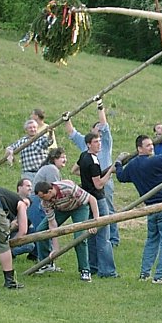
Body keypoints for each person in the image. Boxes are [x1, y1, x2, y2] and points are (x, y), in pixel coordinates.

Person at [115, 131, 162, 284]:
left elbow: (121, 176)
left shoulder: (132, 166)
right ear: (139, 148)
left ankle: (144, 273)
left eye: (152, 145)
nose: (151, 147)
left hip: (150, 208)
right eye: (147, 146)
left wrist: (119, 163)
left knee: (152, 241)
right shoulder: (153, 162)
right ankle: (160, 276)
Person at [64, 96, 119, 247]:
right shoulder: (85, 142)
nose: (99, 133)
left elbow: (104, 124)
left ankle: (113, 239)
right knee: (93, 212)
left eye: (101, 132)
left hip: (104, 181)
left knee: (108, 210)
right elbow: (71, 132)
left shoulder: (105, 142)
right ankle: (94, 238)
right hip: (90, 184)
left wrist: (100, 106)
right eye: (97, 130)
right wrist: (66, 119)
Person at [72, 131, 118, 278]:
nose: (99, 144)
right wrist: (110, 171)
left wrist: (87, 178)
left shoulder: (83, 156)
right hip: (98, 199)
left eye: (99, 141)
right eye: (95, 142)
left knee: (91, 234)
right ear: (88, 144)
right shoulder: (94, 161)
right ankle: (107, 271)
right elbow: (99, 185)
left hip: (86, 199)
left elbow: (74, 170)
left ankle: (93, 266)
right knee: (104, 235)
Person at [34, 180, 100, 282]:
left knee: (79, 237)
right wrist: (56, 248)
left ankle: (85, 270)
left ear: (50, 191)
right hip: (61, 210)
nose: (41, 199)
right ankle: (47, 263)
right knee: (41, 231)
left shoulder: (68, 188)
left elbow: (92, 199)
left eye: (42, 196)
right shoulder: (45, 202)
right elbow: (52, 224)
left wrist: (95, 222)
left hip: (79, 207)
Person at [10, 178, 36, 260]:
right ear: (19, 187)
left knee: (39, 230)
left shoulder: (31, 201)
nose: (30, 188)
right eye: (28, 186)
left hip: (25, 229)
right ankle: (10, 252)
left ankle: (34, 256)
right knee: (29, 246)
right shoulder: (11, 199)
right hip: (12, 231)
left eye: (31, 186)